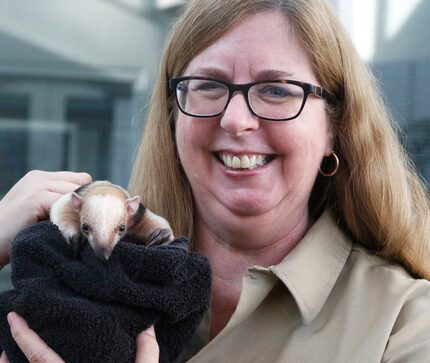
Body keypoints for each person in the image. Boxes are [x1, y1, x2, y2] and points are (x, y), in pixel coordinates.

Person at [1, 0, 430, 361]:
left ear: (334, 127)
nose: (236, 120)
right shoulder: (79, 266)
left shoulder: (405, 324)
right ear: (173, 119)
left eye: (277, 90)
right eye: (208, 85)